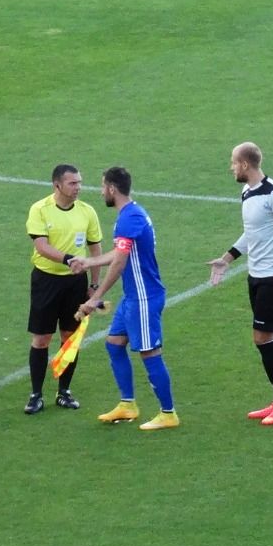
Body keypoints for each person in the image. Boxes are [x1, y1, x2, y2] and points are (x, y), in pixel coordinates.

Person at [207, 142, 273, 427]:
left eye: (233, 162)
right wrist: (227, 258)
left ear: (245, 164)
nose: (231, 167)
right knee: (270, 335)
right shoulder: (246, 192)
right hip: (255, 274)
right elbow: (252, 232)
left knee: (261, 337)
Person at [69, 167, 178, 431]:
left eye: (102, 186)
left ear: (112, 189)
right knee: (114, 343)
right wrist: (89, 262)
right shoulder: (131, 214)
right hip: (133, 297)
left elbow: (119, 263)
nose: (100, 192)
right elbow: (118, 253)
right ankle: (128, 404)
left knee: (149, 352)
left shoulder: (129, 218)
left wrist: (94, 299)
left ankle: (168, 413)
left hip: (144, 297)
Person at [24, 164, 105, 414]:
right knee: (41, 339)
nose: (78, 187)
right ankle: (36, 394)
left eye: (79, 182)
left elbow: (95, 250)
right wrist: (69, 259)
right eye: (72, 183)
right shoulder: (40, 209)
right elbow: (41, 247)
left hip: (75, 283)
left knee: (70, 337)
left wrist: (94, 285)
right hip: (46, 281)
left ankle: (64, 392)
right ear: (57, 185)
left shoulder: (87, 211)